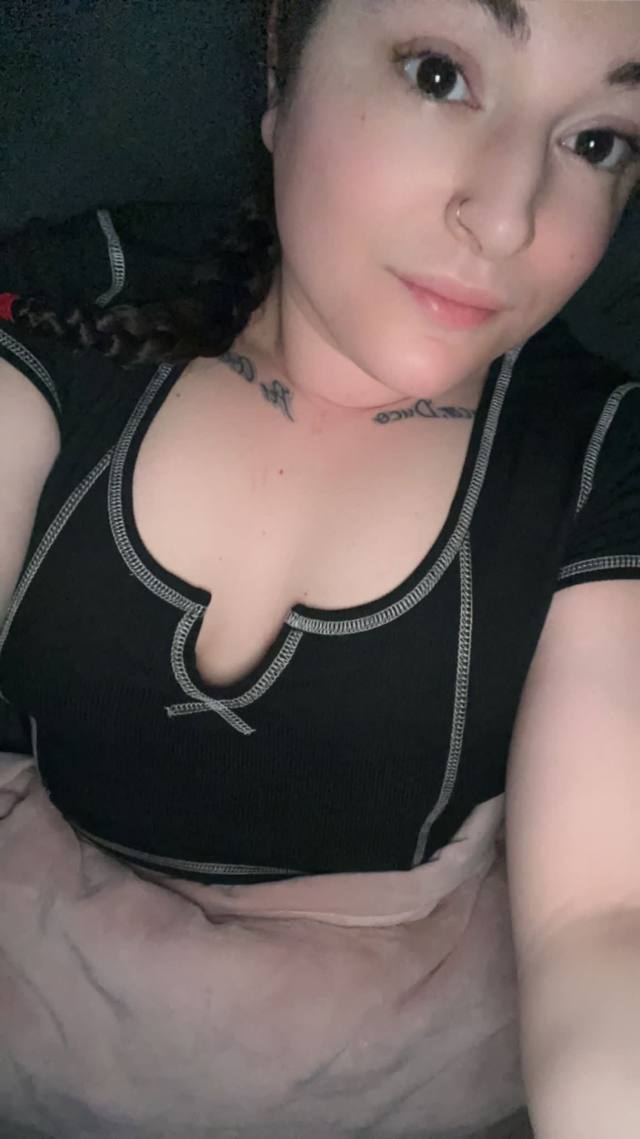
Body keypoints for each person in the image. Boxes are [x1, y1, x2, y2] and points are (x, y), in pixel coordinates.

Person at [1, 1, 640, 1136]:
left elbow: (602, 924)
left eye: (597, 141)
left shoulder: (598, 450)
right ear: (280, 66)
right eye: (437, 76)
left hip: (392, 1071)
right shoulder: (89, 290)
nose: (505, 218)